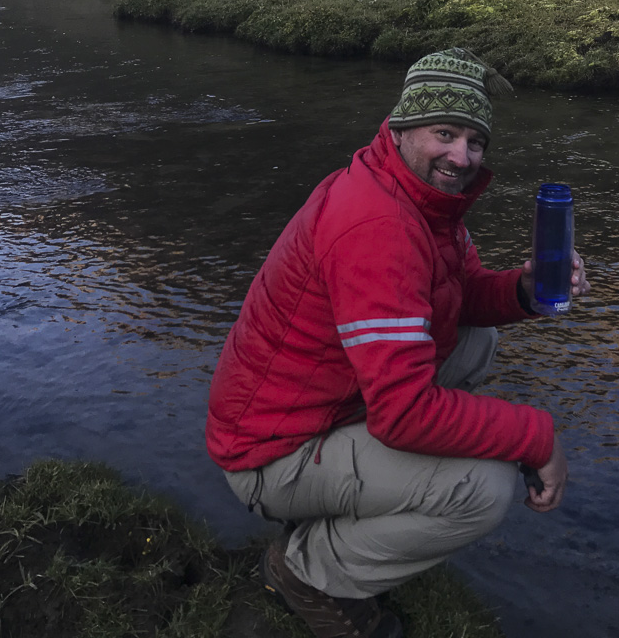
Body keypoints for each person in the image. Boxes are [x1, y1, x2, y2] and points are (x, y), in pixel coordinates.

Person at [206, 47, 588, 638]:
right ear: (403, 126)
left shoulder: (410, 197)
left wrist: (527, 292)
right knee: (483, 489)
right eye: (444, 133)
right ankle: (306, 571)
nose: (461, 157)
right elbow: (404, 414)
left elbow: (456, 293)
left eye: (475, 141)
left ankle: (349, 507)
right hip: (269, 452)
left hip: (311, 409)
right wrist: (536, 439)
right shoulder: (378, 226)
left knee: (474, 336)